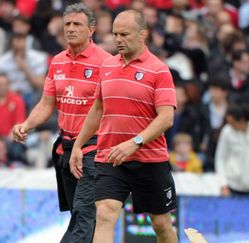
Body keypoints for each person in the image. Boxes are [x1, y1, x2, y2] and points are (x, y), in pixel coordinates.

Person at [69, 10, 178, 243]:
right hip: (110, 157)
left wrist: (135, 143)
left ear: (143, 34)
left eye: (124, 34)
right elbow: (97, 109)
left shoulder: (159, 70)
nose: (118, 39)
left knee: (161, 225)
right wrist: (78, 145)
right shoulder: (107, 67)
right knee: (105, 213)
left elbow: (166, 118)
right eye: (115, 33)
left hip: (149, 160)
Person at [12, 3, 111, 242]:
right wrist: (26, 125)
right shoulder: (57, 61)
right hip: (65, 149)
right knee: (83, 218)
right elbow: (47, 104)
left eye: (77, 24)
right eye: (67, 24)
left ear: (92, 29)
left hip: (92, 150)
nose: (70, 29)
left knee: (84, 215)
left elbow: (109, 109)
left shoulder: (106, 63)